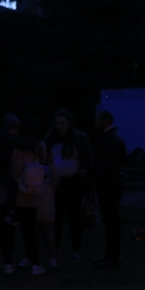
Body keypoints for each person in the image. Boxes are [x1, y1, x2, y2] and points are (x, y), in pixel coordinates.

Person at [45, 109, 92, 263]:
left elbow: (87, 158)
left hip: (74, 182)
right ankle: (55, 248)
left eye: (62, 123)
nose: (60, 126)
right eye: (57, 123)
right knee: (56, 216)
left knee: (74, 217)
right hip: (56, 183)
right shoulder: (51, 140)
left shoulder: (79, 139)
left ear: (69, 124)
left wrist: (85, 170)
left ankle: (76, 248)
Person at [3, 121, 45, 276]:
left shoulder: (12, 149)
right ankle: (35, 265)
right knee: (30, 232)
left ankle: (8, 264)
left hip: (14, 196)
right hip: (31, 195)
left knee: (9, 232)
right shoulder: (38, 148)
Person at [0, 113, 43, 226]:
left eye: (17, 129)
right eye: (13, 129)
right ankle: (9, 212)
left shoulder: (7, 138)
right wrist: (33, 147)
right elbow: (16, 143)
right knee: (13, 184)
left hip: (3, 169)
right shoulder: (4, 138)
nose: (15, 132)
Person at [92, 111, 127, 268]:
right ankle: (110, 255)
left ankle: (112, 257)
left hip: (109, 186)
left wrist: (99, 179)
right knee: (111, 221)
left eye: (97, 122)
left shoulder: (110, 139)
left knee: (111, 221)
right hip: (112, 185)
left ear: (104, 122)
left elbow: (109, 166)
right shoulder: (113, 137)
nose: (95, 126)